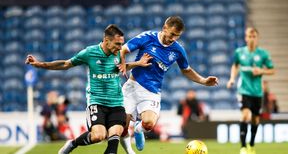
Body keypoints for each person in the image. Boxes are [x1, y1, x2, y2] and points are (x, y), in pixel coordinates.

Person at [25, 24, 152, 154]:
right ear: (106, 41)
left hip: (117, 102)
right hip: (97, 102)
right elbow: (66, 64)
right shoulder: (90, 53)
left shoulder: (119, 53)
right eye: (117, 44)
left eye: (121, 44)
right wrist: (40, 64)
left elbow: (122, 66)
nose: (121, 48)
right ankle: (72, 143)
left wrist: (138, 64)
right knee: (98, 136)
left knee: (114, 139)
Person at [119, 16, 218, 153]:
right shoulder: (147, 37)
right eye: (172, 34)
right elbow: (123, 49)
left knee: (148, 124)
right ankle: (130, 152)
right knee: (121, 125)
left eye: (177, 36)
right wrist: (124, 64)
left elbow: (186, 70)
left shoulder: (178, 50)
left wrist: (204, 81)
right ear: (164, 28)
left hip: (152, 91)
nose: (173, 39)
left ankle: (138, 129)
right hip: (132, 86)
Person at [226, 27, 275, 154]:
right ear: (245, 38)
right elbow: (235, 65)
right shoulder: (240, 52)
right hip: (244, 90)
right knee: (245, 115)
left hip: (257, 92)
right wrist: (232, 78)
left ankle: (251, 145)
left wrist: (261, 71)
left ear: (257, 38)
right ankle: (243, 147)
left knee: (255, 119)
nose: (251, 39)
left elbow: (272, 70)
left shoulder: (263, 54)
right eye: (249, 36)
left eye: (254, 36)